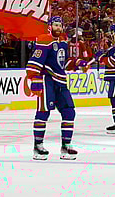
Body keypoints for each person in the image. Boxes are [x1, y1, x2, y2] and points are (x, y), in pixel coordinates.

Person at [26, 16, 79, 161]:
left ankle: (66, 146)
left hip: (61, 82)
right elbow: (35, 61)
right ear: (50, 26)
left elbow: (63, 63)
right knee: (43, 113)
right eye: (55, 25)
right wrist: (35, 79)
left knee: (69, 112)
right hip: (47, 80)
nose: (58, 27)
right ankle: (38, 146)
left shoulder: (63, 42)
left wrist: (77, 63)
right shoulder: (44, 40)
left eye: (60, 25)